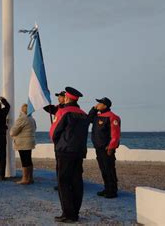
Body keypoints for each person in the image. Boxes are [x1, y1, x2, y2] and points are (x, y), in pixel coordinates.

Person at [50, 87, 89, 223]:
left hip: (65, 151)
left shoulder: (63, 112)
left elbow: (54, 132)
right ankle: (75, 212)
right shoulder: (84, 114)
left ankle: (68, 214)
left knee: (63, 182)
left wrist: (58, 143)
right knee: (77, 181)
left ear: (66, 98)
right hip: (79, 151)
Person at [88, 97, 121, 199]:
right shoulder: (98, 116)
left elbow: (115, 134)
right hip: (99, 148)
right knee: (103, 169)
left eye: (99, 103)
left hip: (107, 149)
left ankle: (112, 190)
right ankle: (107, 188)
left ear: (105, 105)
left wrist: (111, 147)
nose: (97, 104)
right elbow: (88, 119)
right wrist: (93, 109)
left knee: (109, 169)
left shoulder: (113, 117)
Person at [43, 90, 66, 191]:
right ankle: (61, 182)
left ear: (66, 98)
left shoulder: (68, 109)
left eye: (60, 96)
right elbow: (47, 108)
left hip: (65, 140)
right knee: (60, 162)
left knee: (65, 163)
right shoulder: (58, 108)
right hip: (58, 141)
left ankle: (67, 183)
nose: (58, 98)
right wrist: (44, 100)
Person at [10, 103, 36, 185]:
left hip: (22, 143)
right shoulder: (32, 119)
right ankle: (30, 178)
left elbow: (12, 132)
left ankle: (25, 179)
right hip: (30, 142)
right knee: (28, 160)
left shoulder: (22, 119)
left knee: (24, 160)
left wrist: (11, 130)